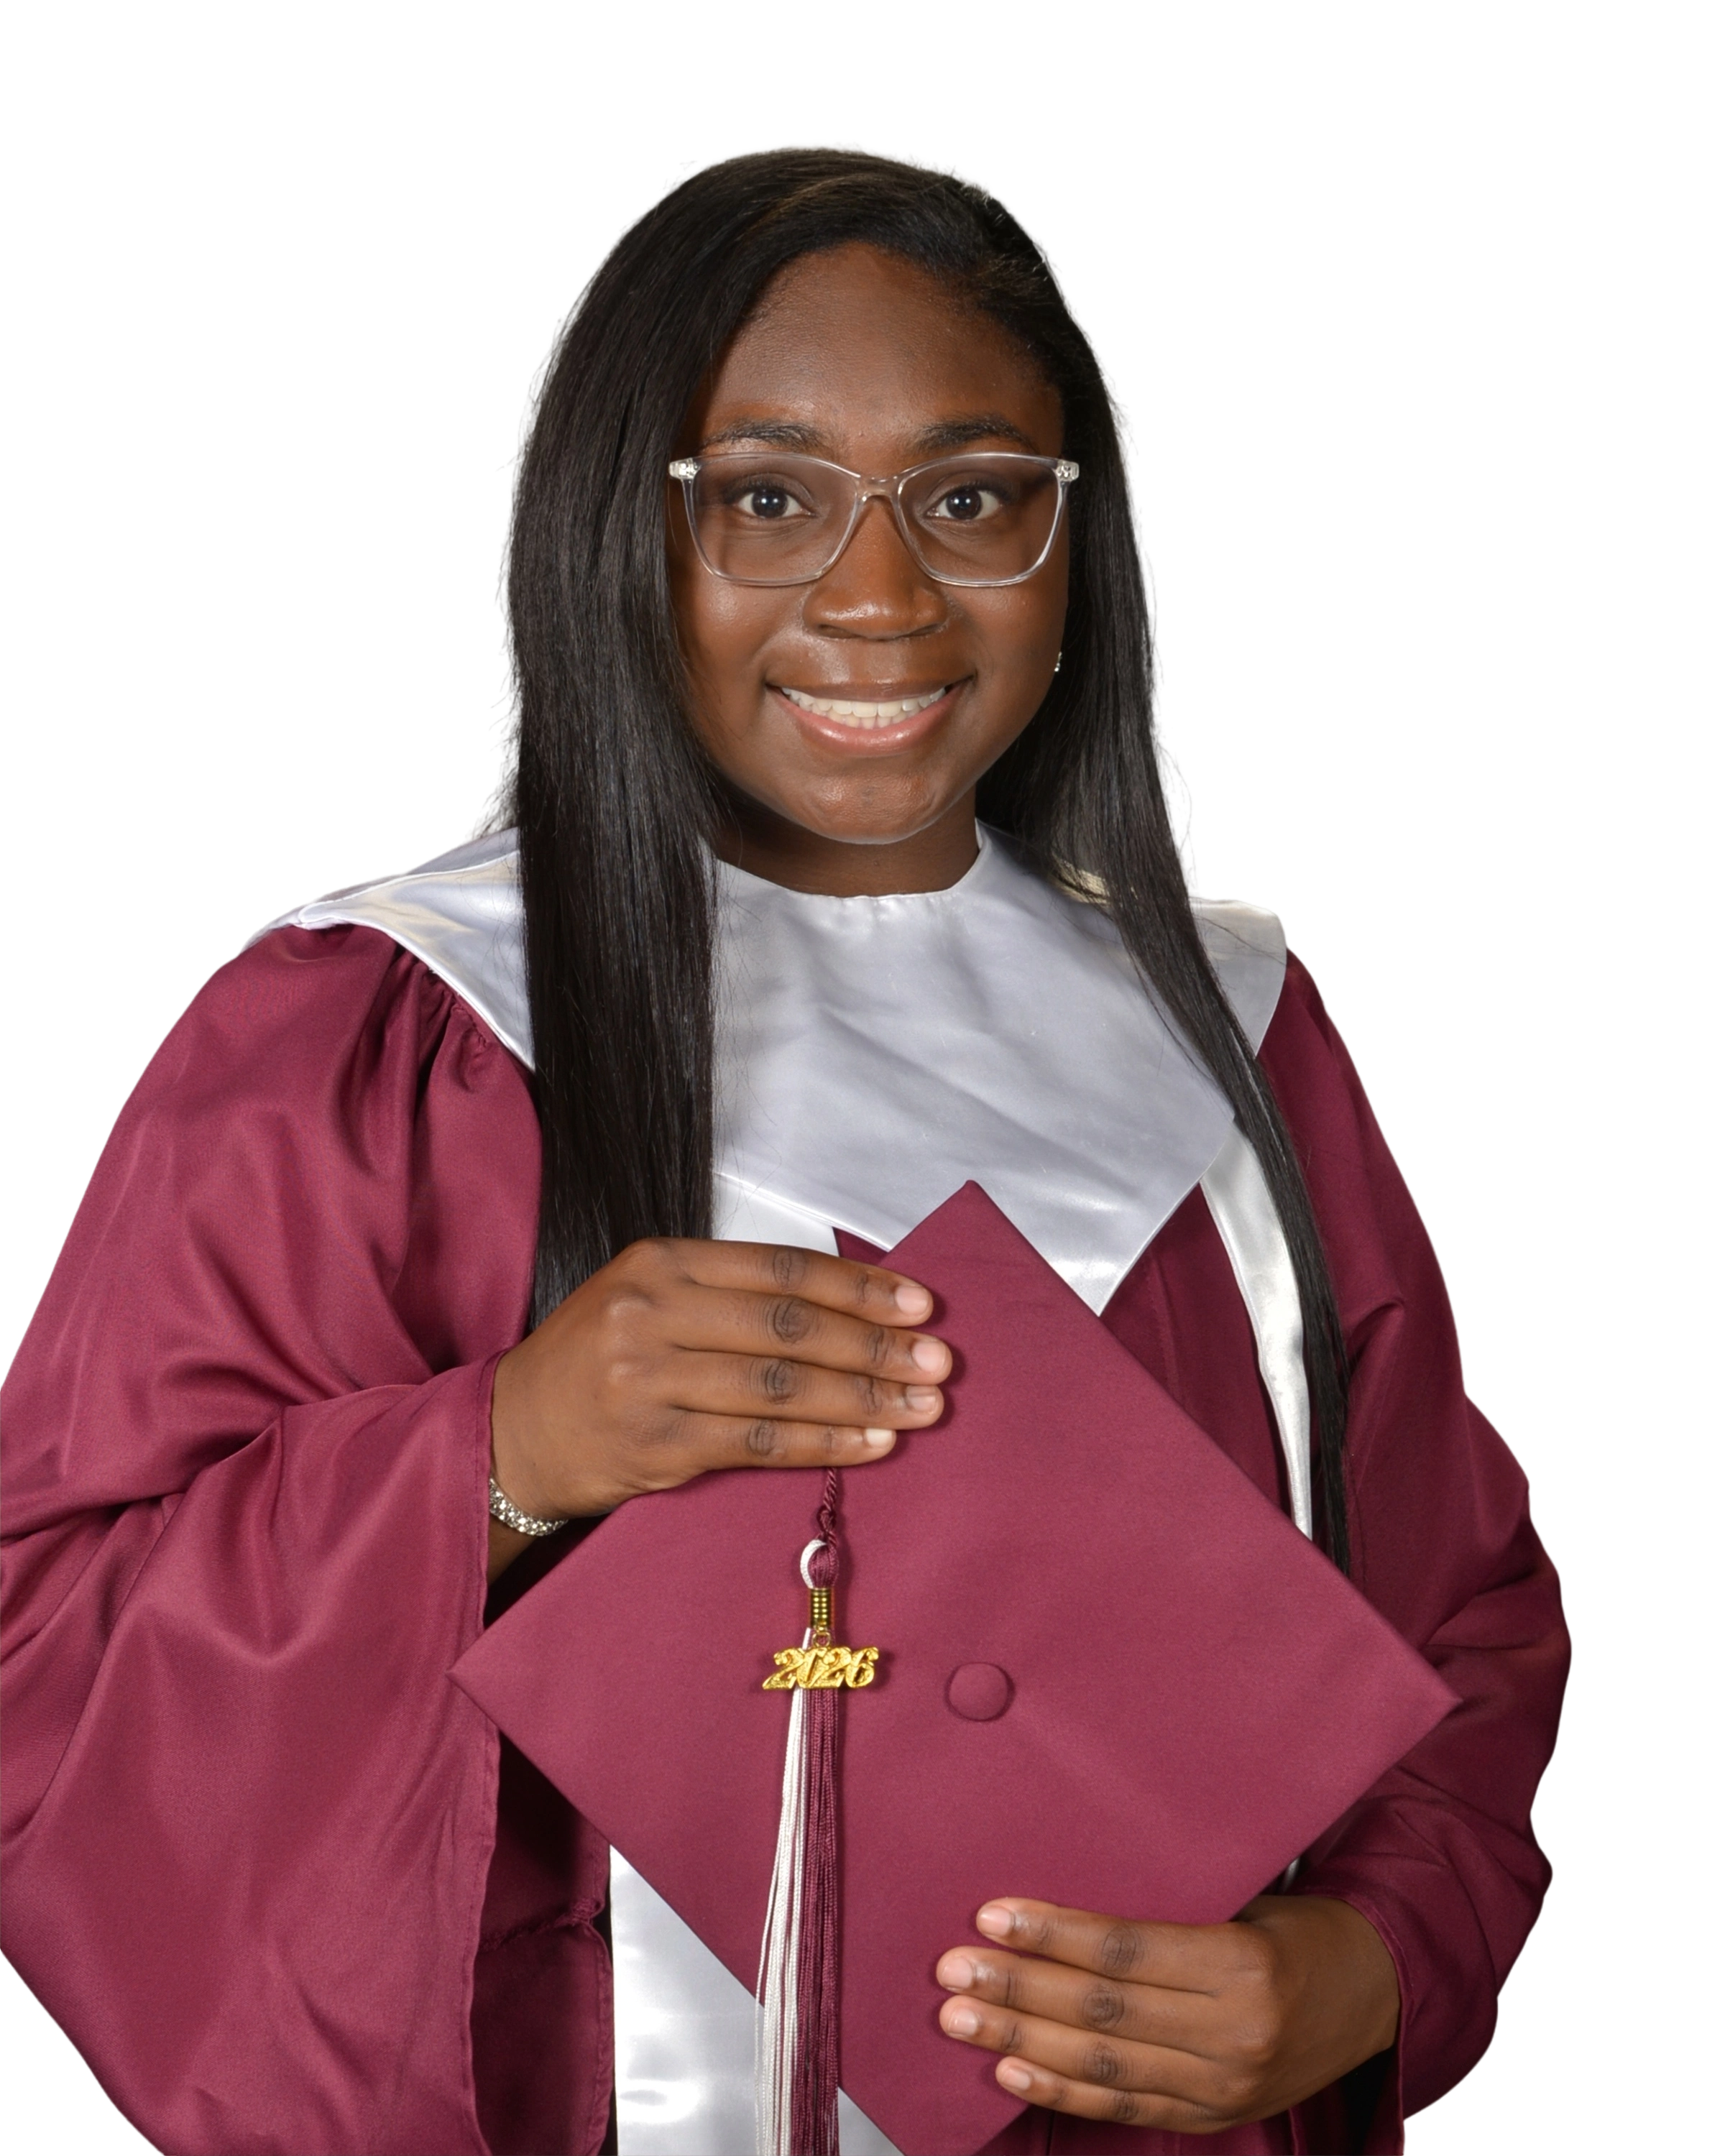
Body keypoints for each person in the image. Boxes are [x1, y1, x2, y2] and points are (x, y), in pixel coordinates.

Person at [1, 144, 1570, 2156]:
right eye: (763, 496)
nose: (880, 595)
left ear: (1078, 537)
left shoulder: (1230, 1032)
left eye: (973, 497)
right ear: (616, 526)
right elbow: (54, 1662)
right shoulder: (381, 1032)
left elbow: (1454, 1615)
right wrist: (500, 1456)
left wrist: (1360, 1968)